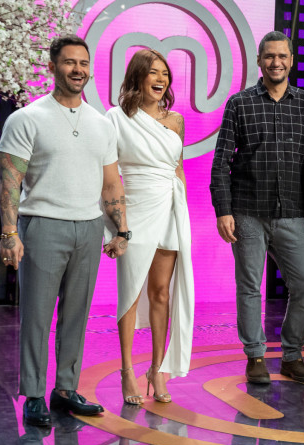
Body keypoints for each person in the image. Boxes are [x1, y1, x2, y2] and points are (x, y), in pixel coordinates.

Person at [0, 35, 128, 426]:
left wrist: (121, 230)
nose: (78, 70)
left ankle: (65, 389)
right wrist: (9, 233)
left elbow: (111, 184)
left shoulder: (100, 123)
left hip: (89, 230)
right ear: (53, 67)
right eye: (69, 63)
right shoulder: (26, 118)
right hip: (42, 228)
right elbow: (9, 183)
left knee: (76, 315)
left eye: (83, 63)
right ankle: (34, 393)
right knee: (37, 316)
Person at [210, 31, 304, 384]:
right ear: (259, 61)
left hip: (290, 210)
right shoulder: (239, 103)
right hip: (246, 211)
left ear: (291, 60)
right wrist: (222, 210)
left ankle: (291, 356)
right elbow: (220, 162)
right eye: (269, 56)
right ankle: (255, 356)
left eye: (282, 56)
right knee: (249, 286)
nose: (276, 62)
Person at [105, 49, 194, 405]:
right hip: (135, 210)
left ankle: (156, 368)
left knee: (161, 292)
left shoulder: (175, 121)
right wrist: (117, 224)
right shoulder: (116, 118)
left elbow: (178, 168)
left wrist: (183, 209)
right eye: (153, 73)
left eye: (165, 74)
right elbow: (109, 174)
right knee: (129, 291)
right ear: (138, 77)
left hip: (170, 208)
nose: (161, 79)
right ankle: (127, 370)